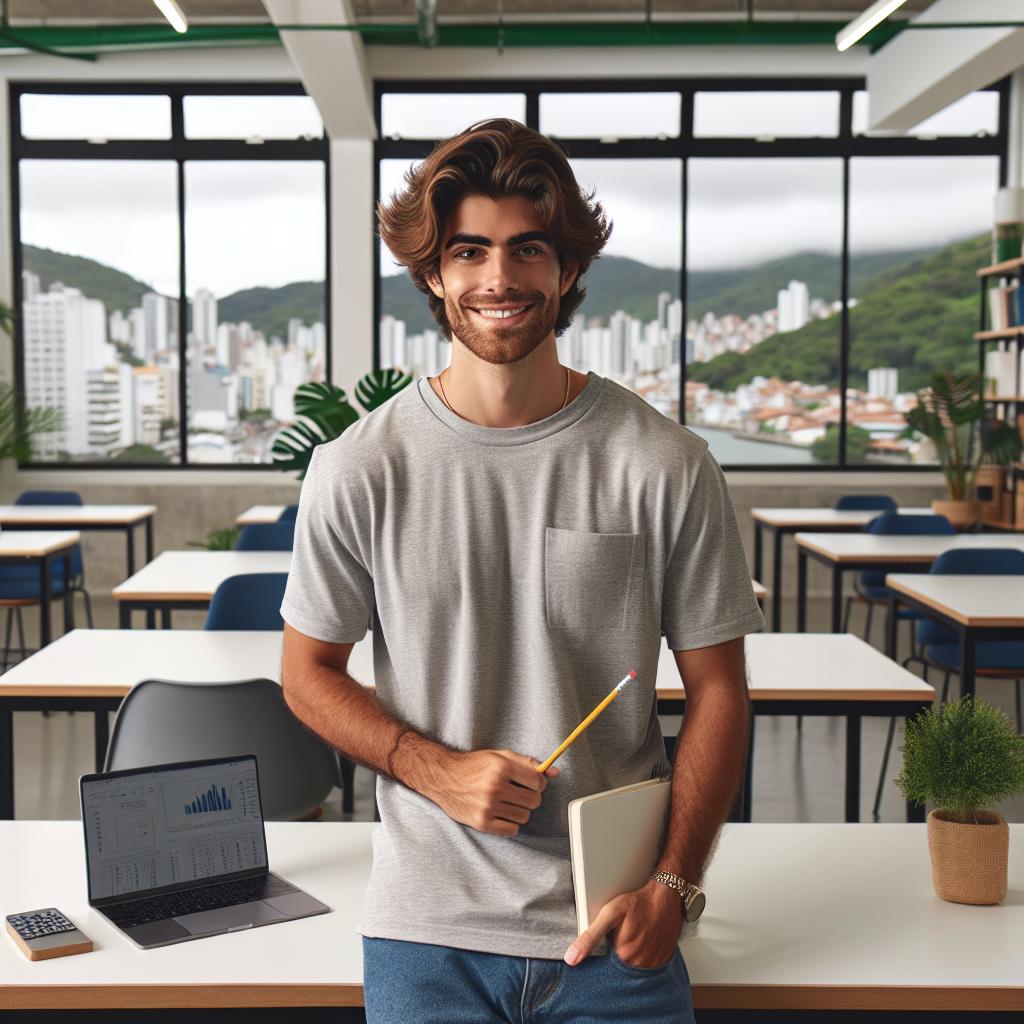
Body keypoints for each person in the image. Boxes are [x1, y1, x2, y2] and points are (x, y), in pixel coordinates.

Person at [280, 119, 764, 1024]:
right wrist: (435, 770)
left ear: (568, 268)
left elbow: (720, 691)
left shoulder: (665, 463)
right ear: (432, 273)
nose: (499, 279)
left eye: (527, 250)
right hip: (427, 928)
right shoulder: (358, 468)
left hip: (615, 920)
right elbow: (306, 674)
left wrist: (675, 885)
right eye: (469, 252)